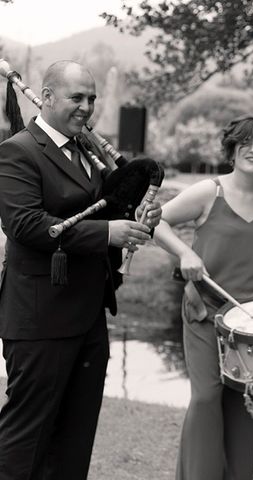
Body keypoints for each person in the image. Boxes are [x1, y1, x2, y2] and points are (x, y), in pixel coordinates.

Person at [0, 60, 161, 480]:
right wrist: (107, 233)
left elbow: (112, 207)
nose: (87, 107)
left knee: (75, 438)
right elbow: (25, 225)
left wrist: (143, 216)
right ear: (47, 97)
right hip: (41, 320)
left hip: (89, 316)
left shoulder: (89, 151)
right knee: (27, 438)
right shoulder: (18, 150)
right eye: (77, 97)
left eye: (91, 98)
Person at [153, 115, 253, 480]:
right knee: (207, 398)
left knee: (244, 404)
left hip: (252, 325)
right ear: (231, 148)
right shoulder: (210, 191)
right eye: (245, 142)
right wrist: (185, 254)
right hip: (205, 313)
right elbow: (155, 222)